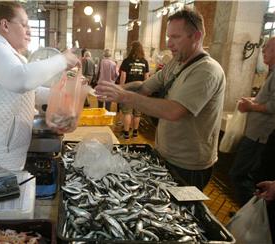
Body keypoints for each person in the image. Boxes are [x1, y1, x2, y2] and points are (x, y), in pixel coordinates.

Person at [95, 8, 226, 190]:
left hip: (188, 165)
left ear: (196, 36)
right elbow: (144, 86)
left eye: (175, 37)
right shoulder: (176, 63)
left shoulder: (206, 70)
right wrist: (115, 88)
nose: (169, 44)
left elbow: (173, 111)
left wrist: (124, 96)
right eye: (168, 37)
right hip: (164, 153)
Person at [0, 1, 79, 171]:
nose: (30, 32)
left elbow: (30, 91)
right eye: (24, 25)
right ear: (5, 25)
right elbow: (21, 80)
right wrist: (63, 60)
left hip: (1, 158)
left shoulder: (8, 54)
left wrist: (63, 99)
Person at [229, 37, 275, 206]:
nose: (262, 50)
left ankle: (250, 211)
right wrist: (253, 100)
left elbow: (273, 106)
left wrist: (250, 106)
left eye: (267, 47)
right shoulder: (271, 72)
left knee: (239, 174)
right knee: (244, 174)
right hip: (255, 134)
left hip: (260, 137)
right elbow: (268, 99)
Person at [119, 41, 149, 139]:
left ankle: (126, 133)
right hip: (140, 90)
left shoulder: (127, 61)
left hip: (128, 90)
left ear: (131, 49)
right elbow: (147, 77)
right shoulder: (145, 62)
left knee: (127, 112)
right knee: (137, 113)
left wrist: (121, 88)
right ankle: (135, 132)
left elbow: (123, 76)